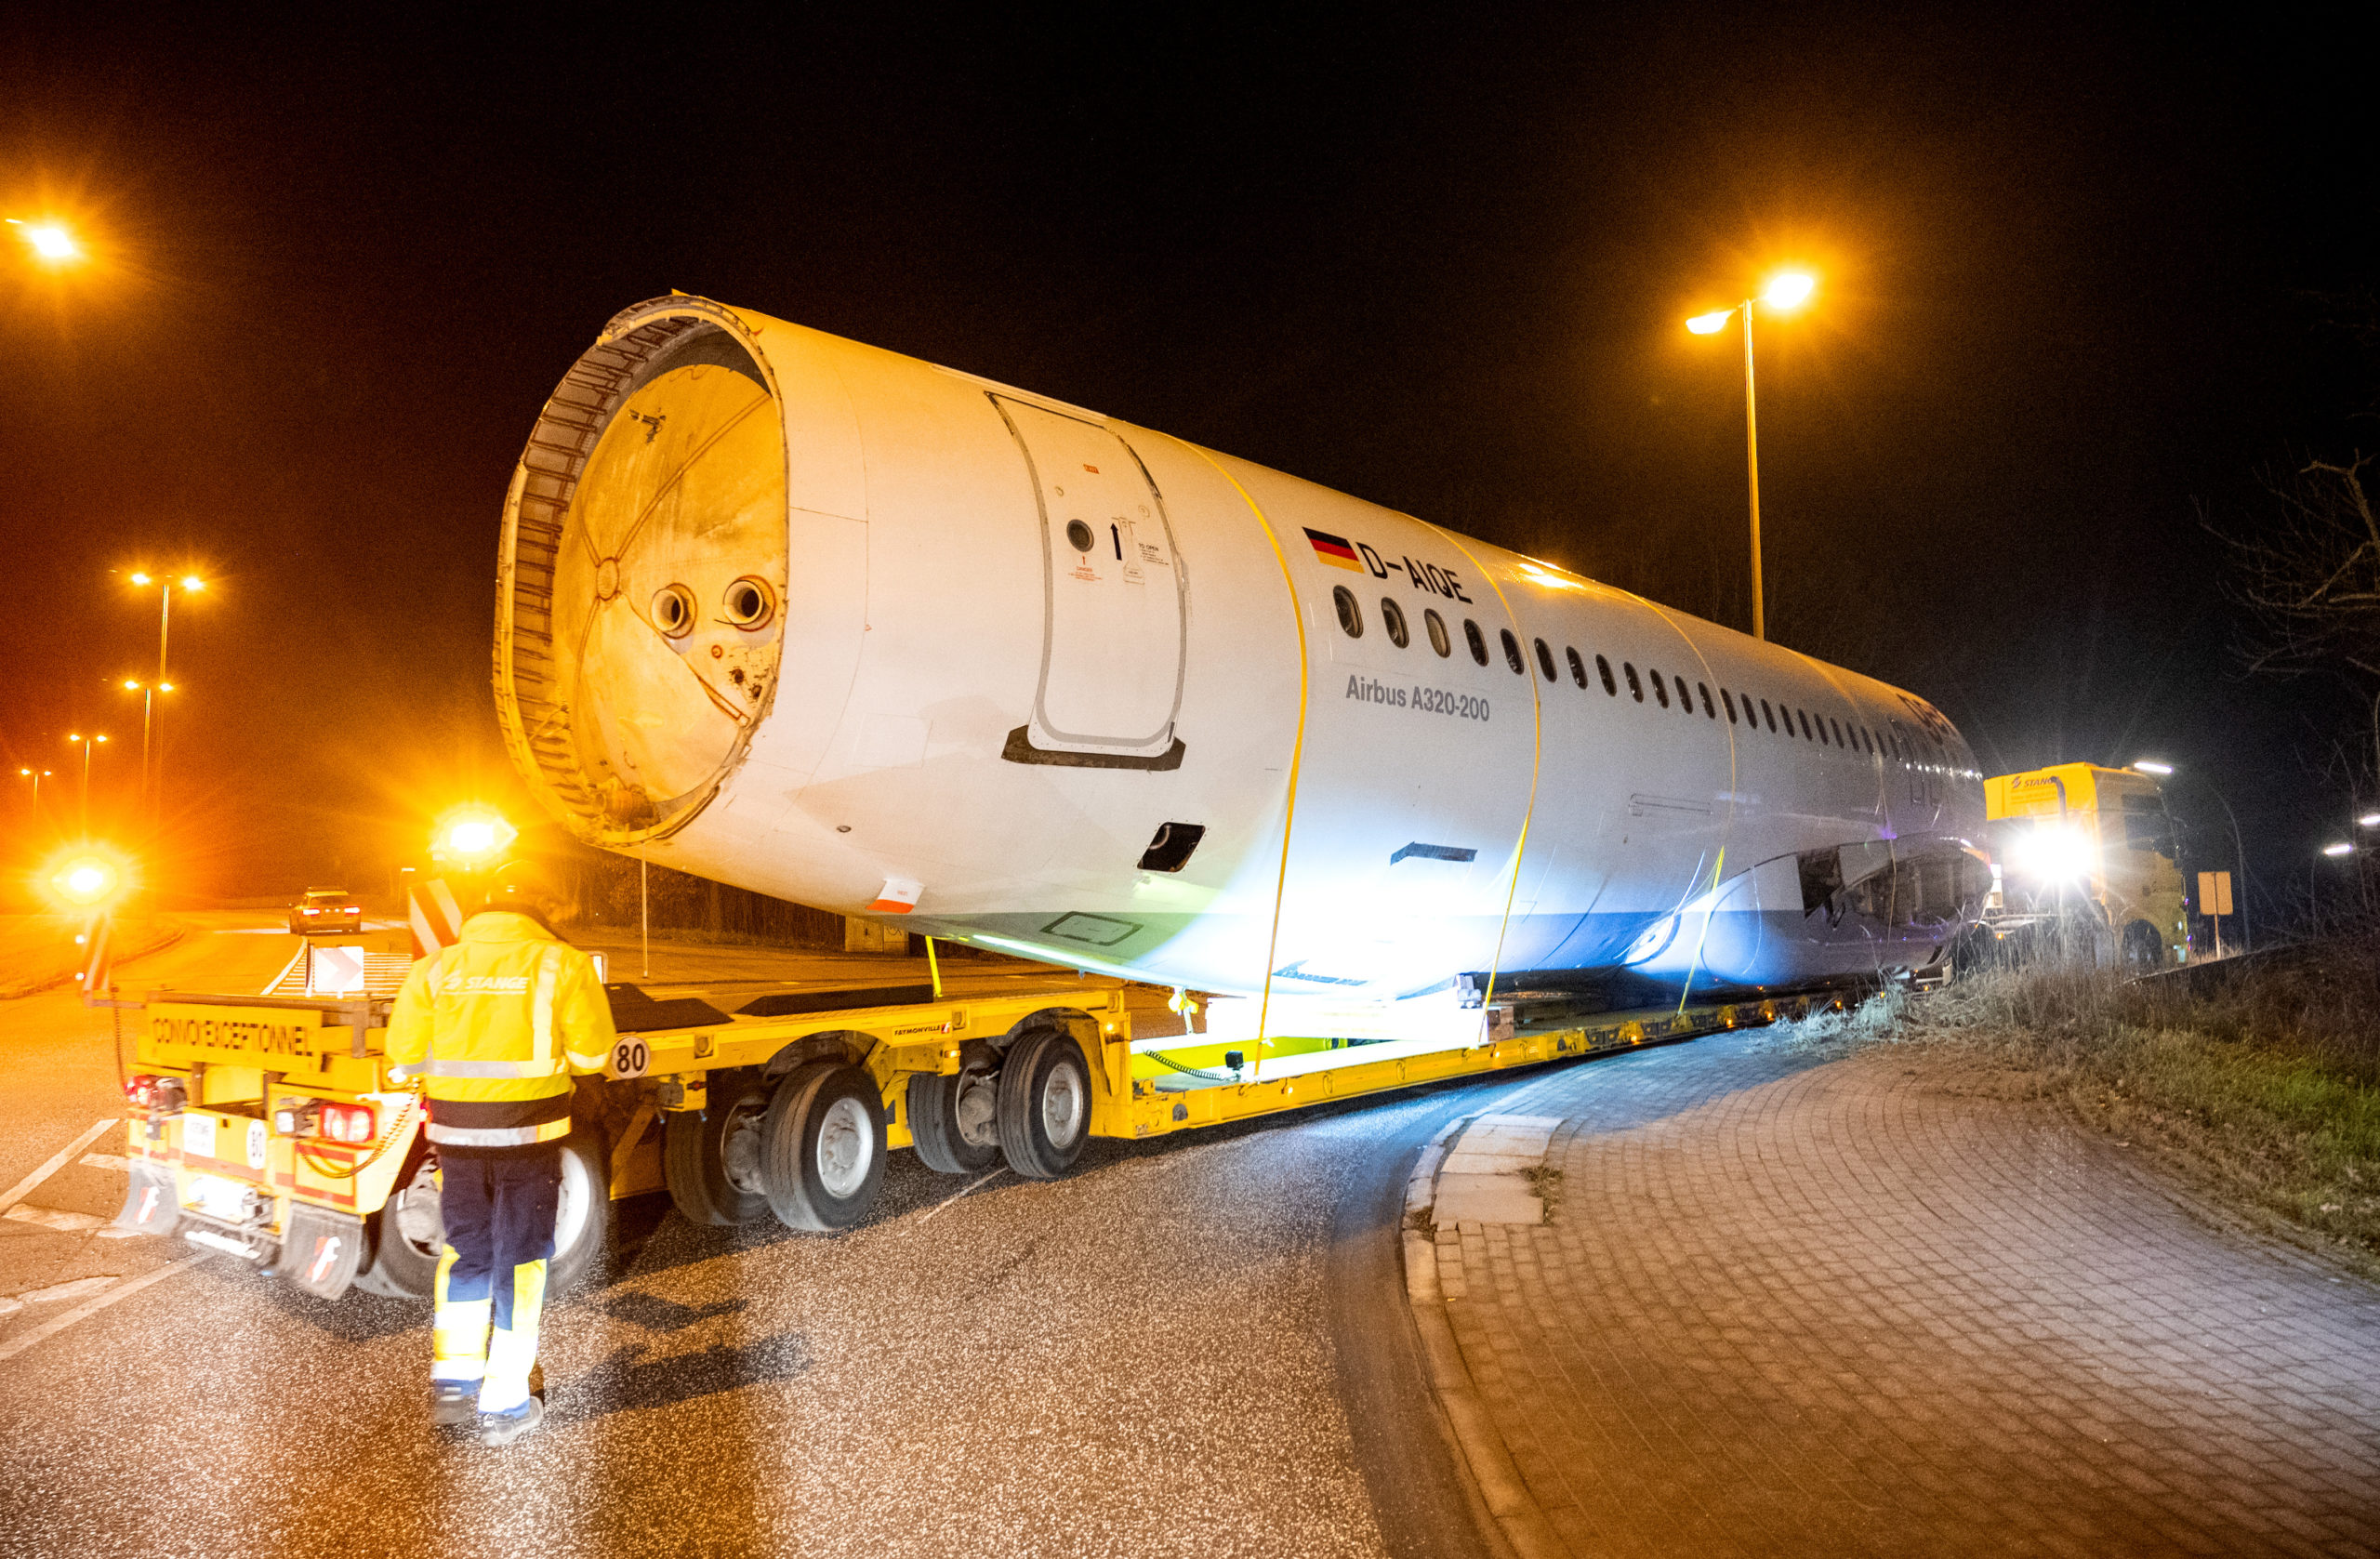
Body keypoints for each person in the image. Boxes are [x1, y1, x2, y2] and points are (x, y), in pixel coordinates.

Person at [386, 861, 615, 1446]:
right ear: (541, 913)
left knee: (467, 1255)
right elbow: (592, 1055)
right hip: (528, 1140)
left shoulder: (434, 967)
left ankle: (455, 1384)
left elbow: (404, 1058)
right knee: (521, 1265)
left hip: (455, 1140)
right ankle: (505, 1404)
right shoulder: (562, 964)